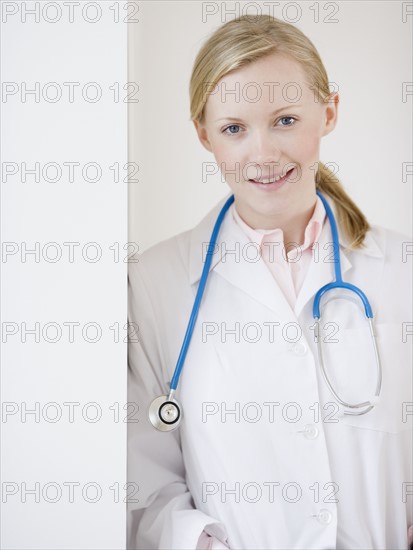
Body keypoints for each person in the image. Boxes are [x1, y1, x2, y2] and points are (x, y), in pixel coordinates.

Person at [127, 14, 412, 550]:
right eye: (235, 128)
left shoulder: (401, 267)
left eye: (285, 119)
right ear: (204, 134)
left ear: (328, 112)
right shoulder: (155, 284)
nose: (263, 154)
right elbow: (143, 480)